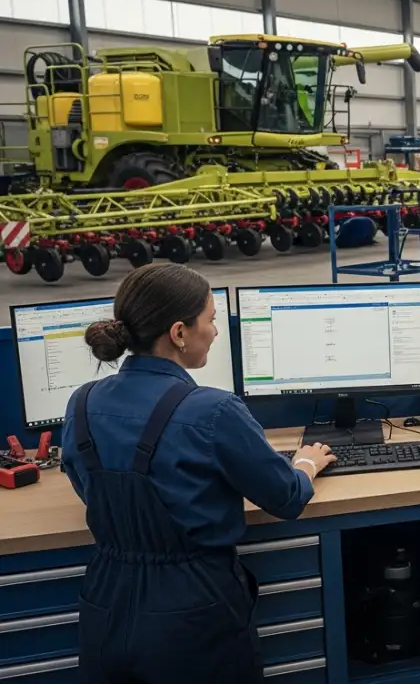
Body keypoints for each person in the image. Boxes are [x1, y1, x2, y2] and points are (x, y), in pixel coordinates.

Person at [60, 263, 336, 684]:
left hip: (105, 603)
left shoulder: (81, 402)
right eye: (209, 320)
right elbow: (286, 499)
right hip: (191, 611)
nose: (216, 331)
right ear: (179, 333)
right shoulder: (213, 410)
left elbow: (88, 487)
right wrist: (305, 464)